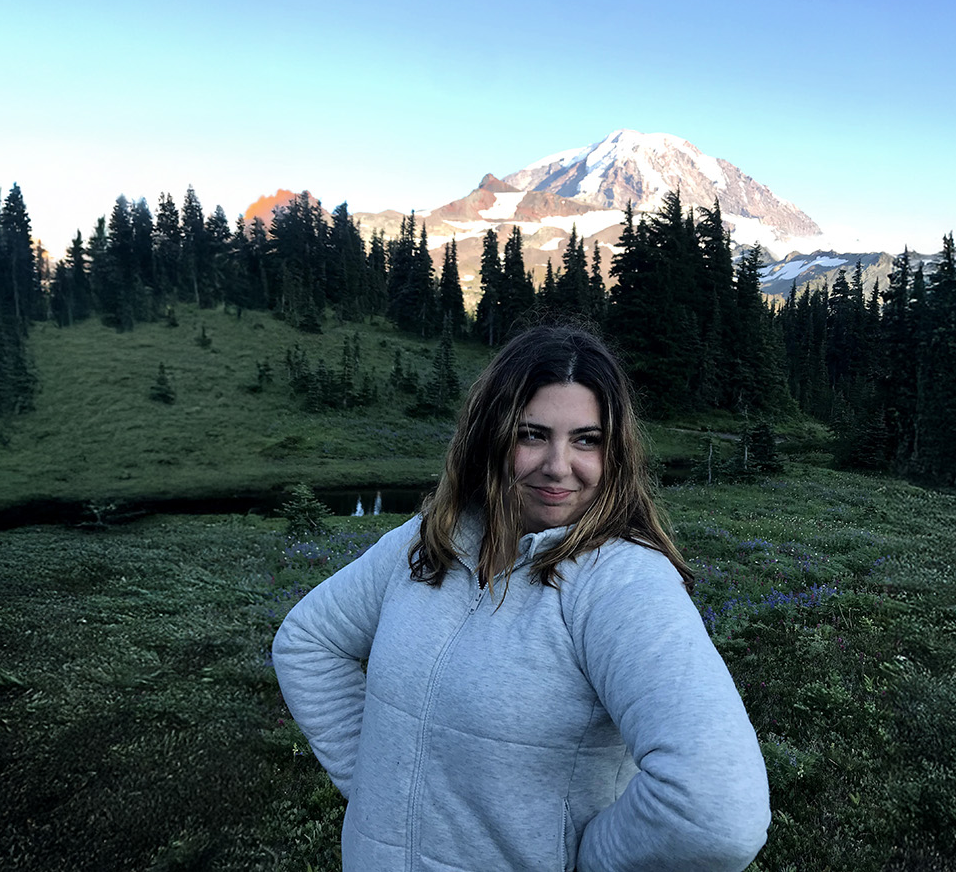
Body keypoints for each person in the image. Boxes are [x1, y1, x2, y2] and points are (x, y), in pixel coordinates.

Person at [273, 324, 770, 871]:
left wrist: (588, 862)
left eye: (587, 439)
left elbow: (717, 811)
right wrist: (373, 786)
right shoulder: (430, 542)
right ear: (490, 436)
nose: (558, 466)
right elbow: (307, 642)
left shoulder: (621, 583)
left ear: (616, 452)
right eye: (531, 434)